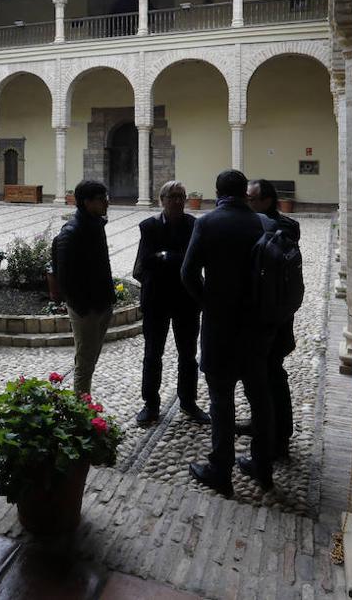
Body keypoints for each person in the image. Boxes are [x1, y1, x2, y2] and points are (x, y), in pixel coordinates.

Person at [180, 169, 274, 494]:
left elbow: (188, 272)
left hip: (221, 325)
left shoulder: (207, 223)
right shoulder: (263, 223)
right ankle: (262, 464)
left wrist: (208, 302)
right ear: (245, 193)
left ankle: (221, 470)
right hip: (256, 325)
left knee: (221, 399)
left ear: (217, 191)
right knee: (259, 396)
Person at [132, 181, 210, 427]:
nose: (177, 201)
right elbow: (145, 263)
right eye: (173, 196)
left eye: (181, 197)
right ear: (162, 200)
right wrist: (176, 258)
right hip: (156, 300)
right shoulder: (149, 226)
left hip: (186, 301)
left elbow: (194, 260)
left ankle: (188, 402)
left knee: (187, 356)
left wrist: (165, 256)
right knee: (153, 355)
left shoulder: (194, 225)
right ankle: (151, 405)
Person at [245, 178, 302, 464]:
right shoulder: (282, 226)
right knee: (264, 376)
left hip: (272, 320)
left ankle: (279, 439)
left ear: (267, 200)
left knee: (272, 377)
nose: (247, 203)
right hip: (276, 317)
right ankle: (263, 425)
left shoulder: (280, 229)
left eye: (252, 199)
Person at [52, 180, 115, 399]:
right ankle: (82, 412)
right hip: (86, 308)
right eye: (101, 199)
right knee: (85, 361)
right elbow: (64, 277)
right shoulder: (71, 231)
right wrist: (82, 307)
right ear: (87, 203)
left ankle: (83, 408)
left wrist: (108, 299)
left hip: (102, 303)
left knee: (91, 357)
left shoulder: (96, 224)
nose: (107, 202)